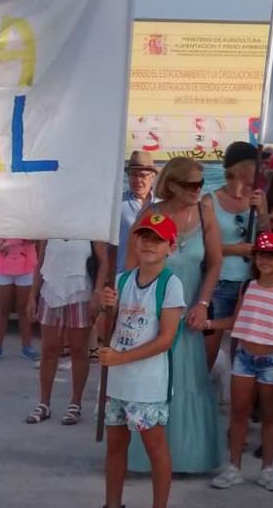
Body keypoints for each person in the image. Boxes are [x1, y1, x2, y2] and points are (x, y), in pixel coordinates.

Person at [127, 156, 224, 475]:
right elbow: (131, 266)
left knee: (189, 382)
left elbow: (215, 263)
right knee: (152, 384)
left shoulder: (204, 212)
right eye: (191, 185)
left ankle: (188, 457)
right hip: (154, 313)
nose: (198, 190)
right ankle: (147, 458)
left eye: (201, 184)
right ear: (172, 184)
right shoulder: (151, 215)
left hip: (189, 314)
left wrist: (203, 303)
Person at [98, 212, 185, 508]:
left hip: (148, 386)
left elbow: (166, 340)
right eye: (145, 236)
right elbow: (105, 330)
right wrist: (102, 308)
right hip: (118, 383)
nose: (150, 244)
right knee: (115, 447)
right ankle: (112, 504)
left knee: (155, 449)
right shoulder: (121, 281)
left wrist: (120, 358)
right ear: (135, 241)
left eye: (158, 239)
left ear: (170, 247)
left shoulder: (171, 285)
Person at [210, 232, 273, 492]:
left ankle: (267, 469)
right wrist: (208, 323)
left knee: (270, 416)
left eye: (272, 256)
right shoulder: (247, 287)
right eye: (262, 254)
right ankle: (234, 467)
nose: (266, 260)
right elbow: (236, 321)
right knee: (239, 413)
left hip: (272, 362)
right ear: (255, 257)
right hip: (244, 359)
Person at [25, 238, 107, 425]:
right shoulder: (51, 225)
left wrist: (97, 292)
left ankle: (75, 404)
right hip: (50, 291)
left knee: (79, 350)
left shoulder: (89, 225)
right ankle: (44, 403)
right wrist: (32, 295)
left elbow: (103, 261)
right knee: (49, 349)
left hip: (80, 292)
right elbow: (41, 261)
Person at [206, 141, 268, 370]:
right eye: (256, 166)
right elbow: (201, 247)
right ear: (241, 168)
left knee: (243, 354)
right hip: (218, 282)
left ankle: (239, 401)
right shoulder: (210, 201)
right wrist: (235, 249)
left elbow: (269, 241)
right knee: (208, 351)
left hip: (249, 283)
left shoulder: (258, 199)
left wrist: (262, 212)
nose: (261, 171)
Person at [0, 237, 40, 362]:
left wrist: (31, 240)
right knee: (3, 309)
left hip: (26, 267)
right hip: (3, 268)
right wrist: (0, 247)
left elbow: (39, 239)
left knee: (23, 309)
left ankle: (27, 347)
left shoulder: (29, 221)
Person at [113, 151, 159, 276]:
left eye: (143, 175)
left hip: (154, 278)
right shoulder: (116, 204)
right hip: (122, 276)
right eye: (133, 175)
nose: (137, 180)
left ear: (153, 177)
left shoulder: (162, 206)